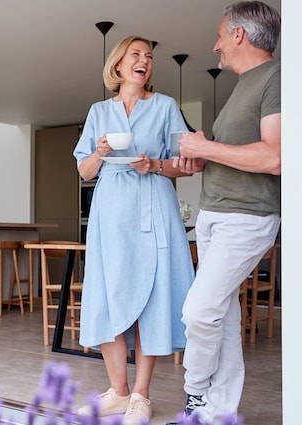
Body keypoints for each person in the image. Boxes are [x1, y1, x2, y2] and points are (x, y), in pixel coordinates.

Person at [166, 2, 281, 425]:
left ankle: (195, 396)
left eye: (219, 36)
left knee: (198, 311)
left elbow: (275, 156)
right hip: (214, 214)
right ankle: (221, 414)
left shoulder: (278, 77)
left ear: (239, 35)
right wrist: (199, 161)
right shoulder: (244, 85)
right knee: (222, 316)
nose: (215, 46)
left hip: (246, 217)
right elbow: (237, 154)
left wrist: (205, 148)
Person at [73, 35, 195, 425]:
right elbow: (84, 170)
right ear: (119, 65)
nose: (145, 61)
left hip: (152, 205)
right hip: (110, 212)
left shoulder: (165, 107)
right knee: (109, 294)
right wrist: (100, 152)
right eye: (136, 55)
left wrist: (155, 165)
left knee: (153, 297)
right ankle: (118, 392)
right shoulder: (97, 111)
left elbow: (185, 162)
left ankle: (141, 394)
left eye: (150, 56)